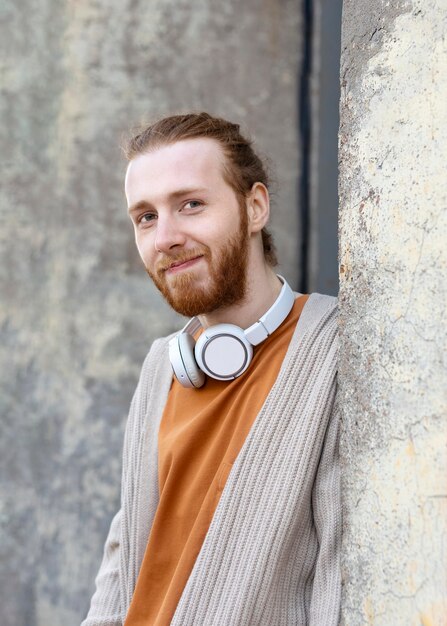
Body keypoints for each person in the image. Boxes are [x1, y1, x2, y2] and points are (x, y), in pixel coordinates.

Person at [82, 112, 341, 626]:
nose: (166, 237)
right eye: (146, 217)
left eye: (191, 205)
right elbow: (122, 556)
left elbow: (343, 577)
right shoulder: (163, 367)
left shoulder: (334, 352)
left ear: (255, 206)